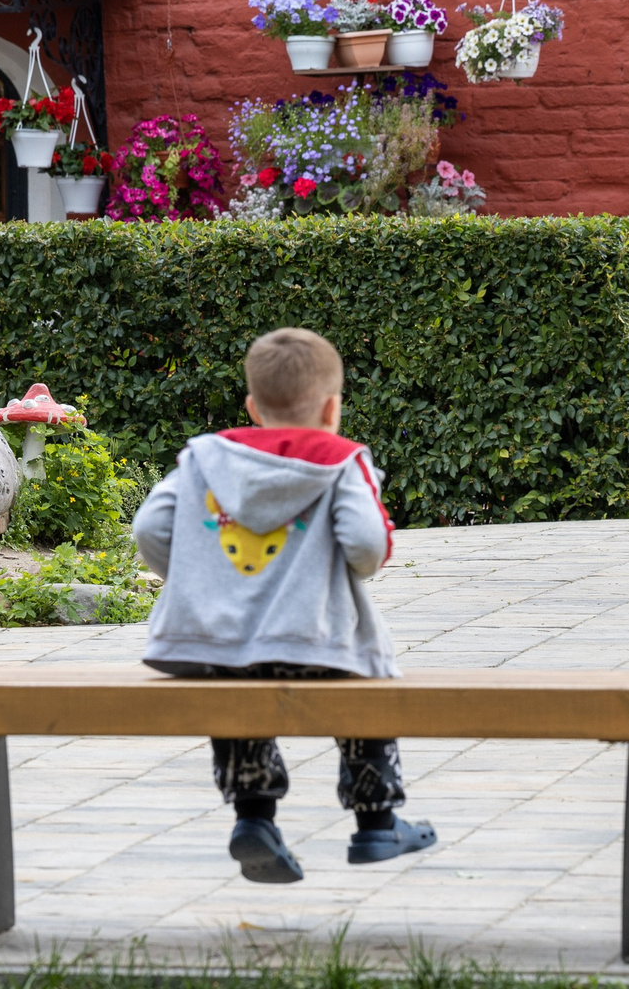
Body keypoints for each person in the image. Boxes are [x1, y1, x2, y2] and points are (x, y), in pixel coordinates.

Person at [131, 327, 437, 884]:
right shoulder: (343, 461)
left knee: (236, 689)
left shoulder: (205, 456)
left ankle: (254, 818)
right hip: (316, 641)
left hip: (216, 641)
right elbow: (368, 546)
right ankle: (377, 824)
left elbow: (150, 528)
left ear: (251, 406)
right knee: (363, 679)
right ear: (331, 407)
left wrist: (201, 580)